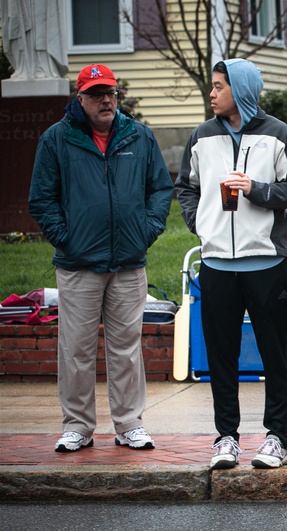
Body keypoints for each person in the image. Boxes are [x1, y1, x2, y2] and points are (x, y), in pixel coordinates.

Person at [28, 63, 173, 453]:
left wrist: (146, 230)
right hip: (78, 265)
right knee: (75, 349)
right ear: (80, 99)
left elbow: (160, 188)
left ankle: (129, 425)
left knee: (126, 348)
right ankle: (77, 426)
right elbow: (41, 198)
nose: (105, 100)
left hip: (128, 262)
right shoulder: (57, 139)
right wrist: (66, 238)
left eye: (109, 92)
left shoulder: (138, 135)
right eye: (95, 94)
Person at [175, 58, 287, 470]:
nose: (211, 93)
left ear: (241, 91)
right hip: (216, 265)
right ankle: (226, 438)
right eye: (212, 86)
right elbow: (186, 187)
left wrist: (257, 190)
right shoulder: (202, 136)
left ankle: (276, 438)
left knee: (273, 356)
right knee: (221, 356)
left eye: (219, 86)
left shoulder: (278, 134)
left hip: (266, 264)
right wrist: (202, 224)